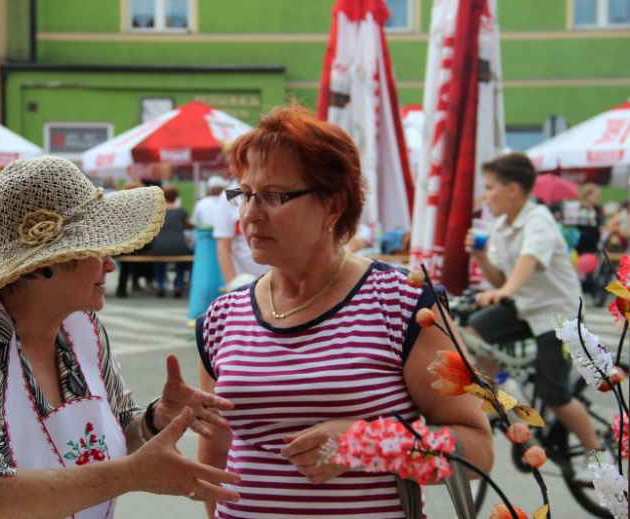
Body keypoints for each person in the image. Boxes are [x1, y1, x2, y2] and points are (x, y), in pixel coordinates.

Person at [0, 156, 241, 519]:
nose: (110, 263)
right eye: (95, 247)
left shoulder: (80, 327)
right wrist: (133, 474)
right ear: (43, 265)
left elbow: (116, 433)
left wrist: (154, 420)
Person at [196, 105, 493, 518]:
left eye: (273, 196)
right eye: (244, 194)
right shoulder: (222, 317)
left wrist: (366, 443)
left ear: (333, 207)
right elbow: (215, 450)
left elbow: (477, 450)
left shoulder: (403, 303)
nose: (250, 214)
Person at [464, 152, 603, 465]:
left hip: (558, 315)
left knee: (555, 396)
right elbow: (501, 277)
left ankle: (601, 458)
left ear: (512, 189)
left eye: (489, 187)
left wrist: (505, 291)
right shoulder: (500, 225)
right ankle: (507, 403)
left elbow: (528, 262)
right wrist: (482, 257)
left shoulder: (538, 219)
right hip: (525, 307)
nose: (485, 196)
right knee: (473, 332)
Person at [213, 169, 269, 289]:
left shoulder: (276, 191)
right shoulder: (230, 195)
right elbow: (223, 245)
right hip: (244, 280)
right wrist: (233, 283)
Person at [150, 185, 193, 298]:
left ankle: (160, 284)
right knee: (183, 261)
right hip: (179, 245)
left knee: (159, 261)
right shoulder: (182, 211)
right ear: (177, 196)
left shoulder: (157, 212)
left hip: (160, 246)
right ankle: (178, 284)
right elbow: (189, 226)